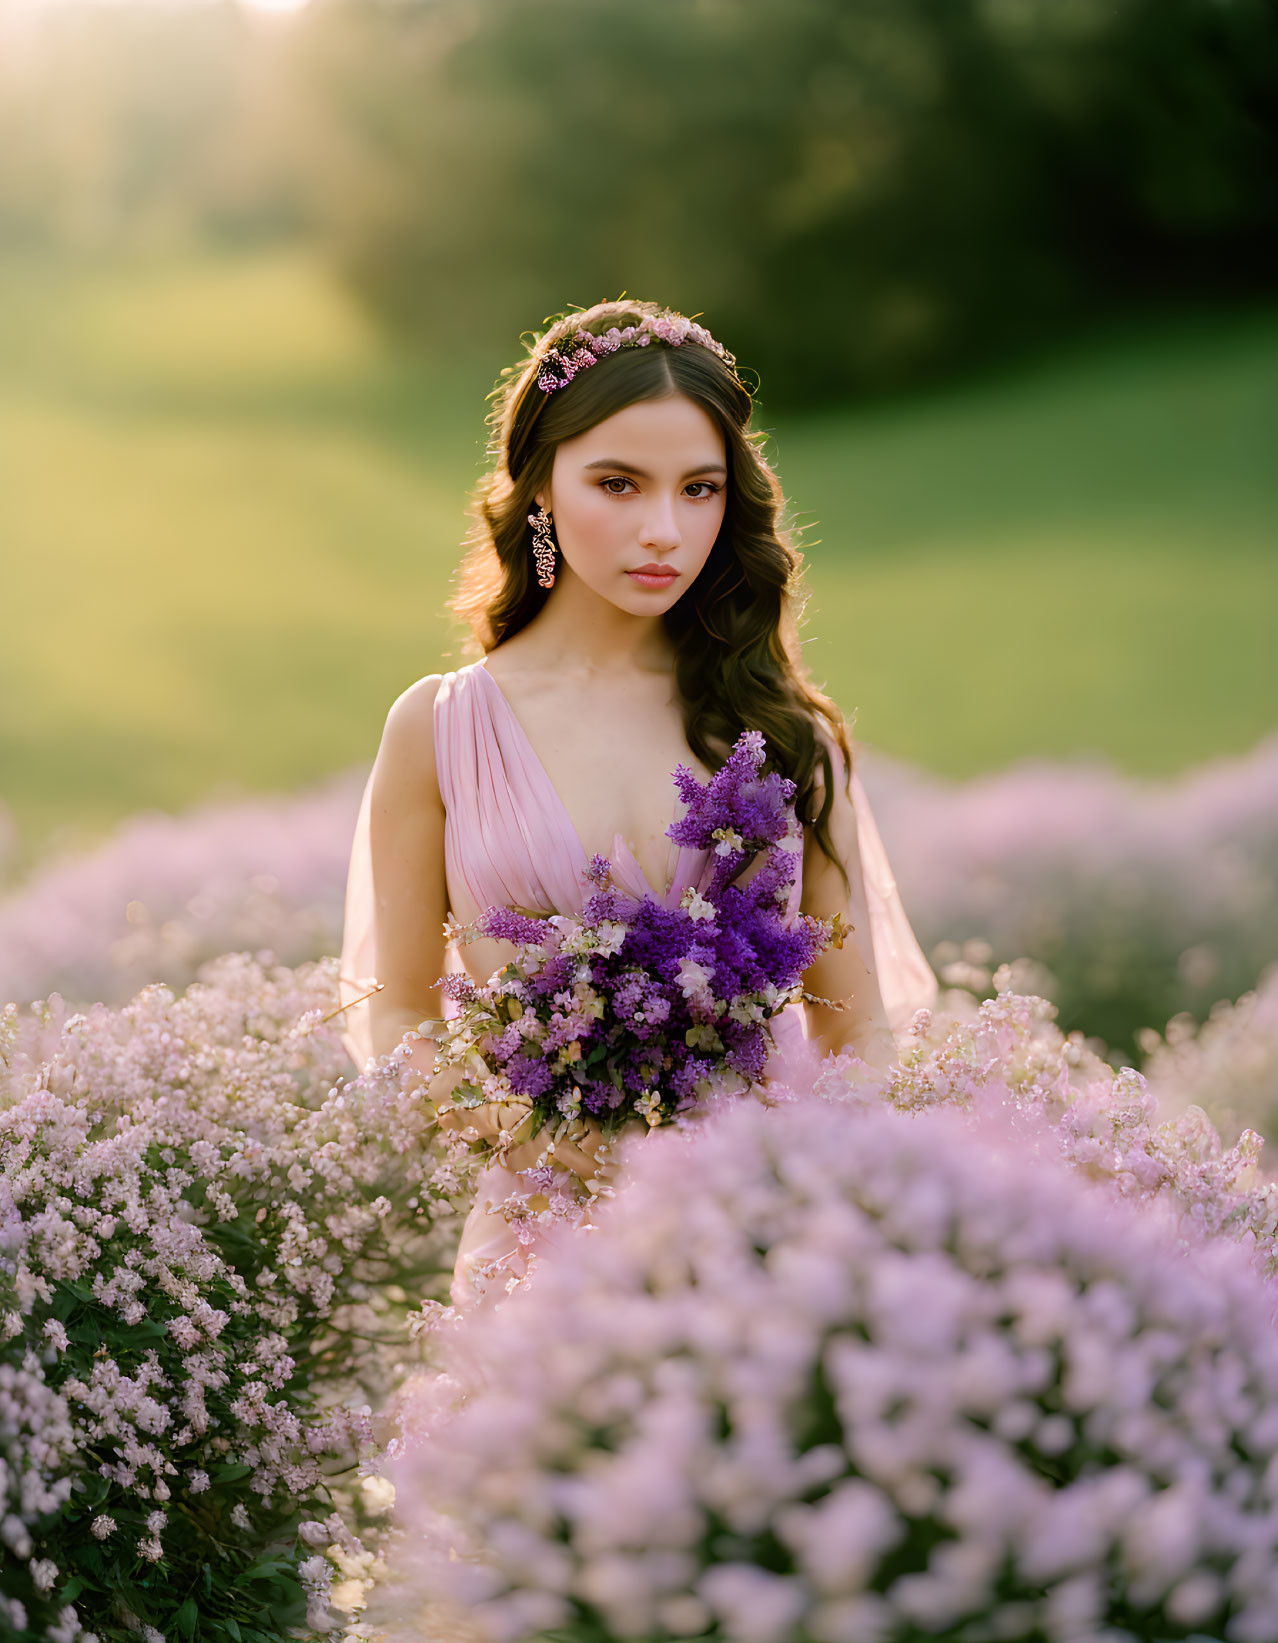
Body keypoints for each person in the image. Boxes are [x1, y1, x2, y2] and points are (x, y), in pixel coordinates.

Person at [337, 298, 937, 1308]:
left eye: (699, 489)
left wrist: (797, 1174)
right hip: (533, 1251)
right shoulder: (439, 727)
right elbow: (394, 1004)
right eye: (618, 483)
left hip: (757, 1248)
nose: (665, 529)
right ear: (541, 488)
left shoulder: (786, 737)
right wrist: (522, 1132)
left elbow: (855, 1026)